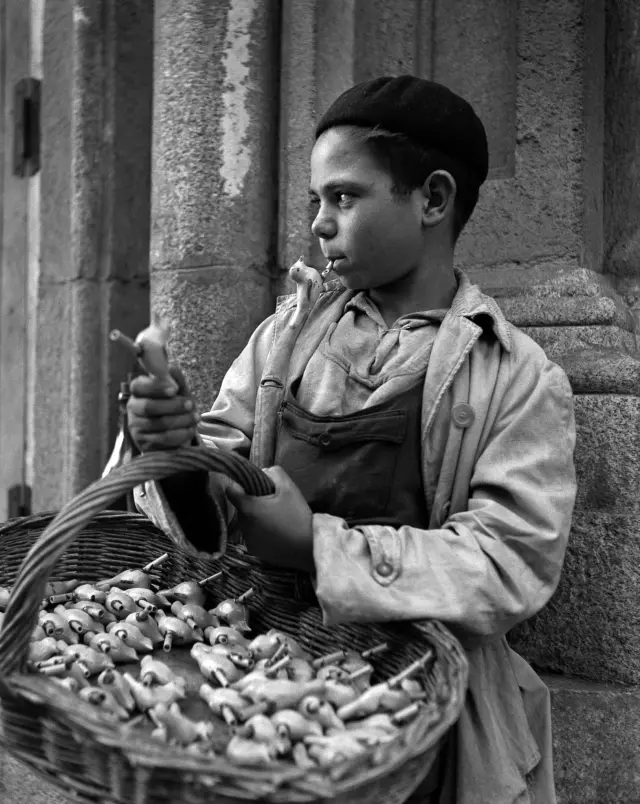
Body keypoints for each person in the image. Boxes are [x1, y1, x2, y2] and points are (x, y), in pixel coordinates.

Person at [125, 75, 577, 804]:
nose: (319, 225)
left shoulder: (516, 378)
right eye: (316, 200)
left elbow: (509, 563)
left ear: (433, 199)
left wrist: (317, 546)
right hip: (264, 692)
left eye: (343, 197)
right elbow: (218, 482)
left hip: (425, 721)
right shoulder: (286, 338)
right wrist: (176, 453)